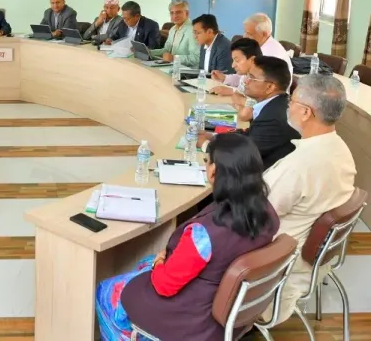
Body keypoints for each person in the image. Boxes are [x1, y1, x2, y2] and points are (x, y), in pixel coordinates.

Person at [96, 133, 279, 340]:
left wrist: (159, 263)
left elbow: (164, 286)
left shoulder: (204, 235)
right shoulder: (268, 213)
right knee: (144, 263)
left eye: (206, 161)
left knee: (106, 291)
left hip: (192, 320)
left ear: (214, 171)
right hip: (232, 313)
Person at [264, 74, 356, 325]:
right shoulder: (340, 149)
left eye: (291, 101)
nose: (288, 106)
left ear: (306, 112)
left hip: (271, 267)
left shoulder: (300, 166)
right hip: (303, 259)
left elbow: (257, 214)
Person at [197, 56, 300, 170]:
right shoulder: (274, 104)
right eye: (247, 76)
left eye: (252, 78)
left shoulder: (273, 117)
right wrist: (214, 137)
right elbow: (248, 135)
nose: (246, 81)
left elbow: (244, 157)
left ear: (270, 87)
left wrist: (206, 145)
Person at [216, 13, 292, 89]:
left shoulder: (270, 55)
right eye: (245, 32)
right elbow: (244, 78)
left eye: (249, 33)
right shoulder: (257, 46)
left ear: (264, 34)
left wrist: (233, 92)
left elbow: (258, 88)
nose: (244, 36)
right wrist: (225, 78)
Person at [149, 0, 199, 67]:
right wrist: (149, 52)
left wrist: (174, 58)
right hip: (172, 67)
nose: (175, 16)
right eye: (172, 13)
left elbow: (196, 58)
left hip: (187, 71)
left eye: (178, 12)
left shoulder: (193, 30)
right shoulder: (172, 29)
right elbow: (167, 50)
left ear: (187, 13)